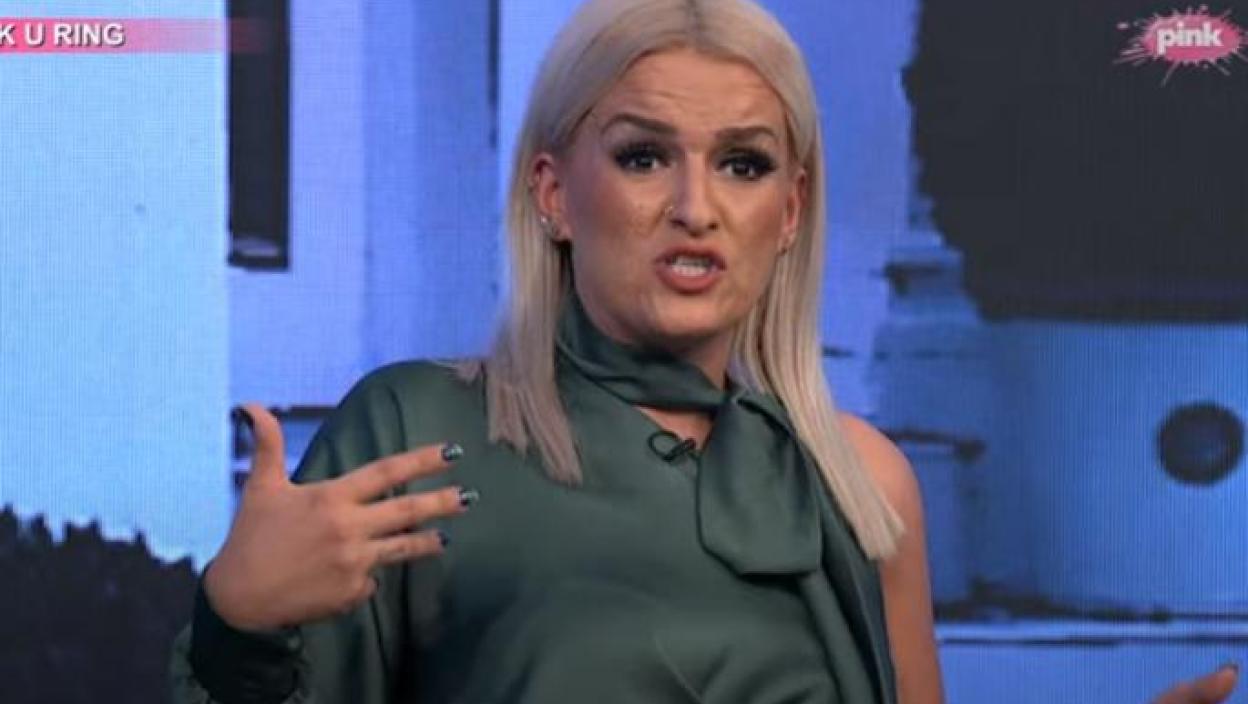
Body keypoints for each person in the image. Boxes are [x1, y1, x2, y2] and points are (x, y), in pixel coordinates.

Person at [170, 1, 1239, 702]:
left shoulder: (864, 484)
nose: (696, 208)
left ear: (791, 210)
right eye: (643, 157)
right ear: (553, 193)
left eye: (743, 164)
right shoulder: (415, 433)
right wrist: (238, 626)